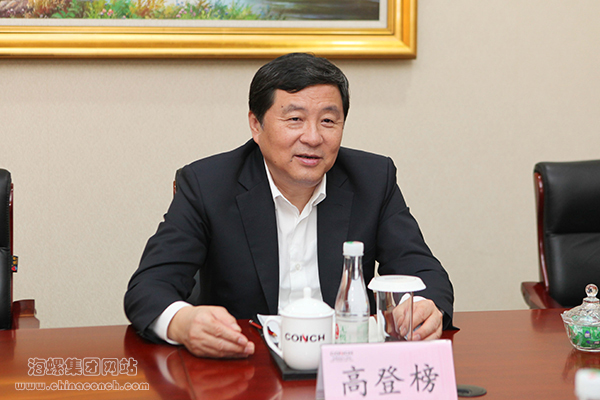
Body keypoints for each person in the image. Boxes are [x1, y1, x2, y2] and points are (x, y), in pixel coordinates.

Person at [124, 52, 454, 359]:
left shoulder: (372, 180)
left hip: (342, 365)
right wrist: (183, 322)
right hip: (245, 363)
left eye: (328, 121)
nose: (313, 137)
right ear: (256, 125)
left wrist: (424, 308)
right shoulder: (208, 184)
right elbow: (149, 286)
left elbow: (425, 273)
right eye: (295, 119)